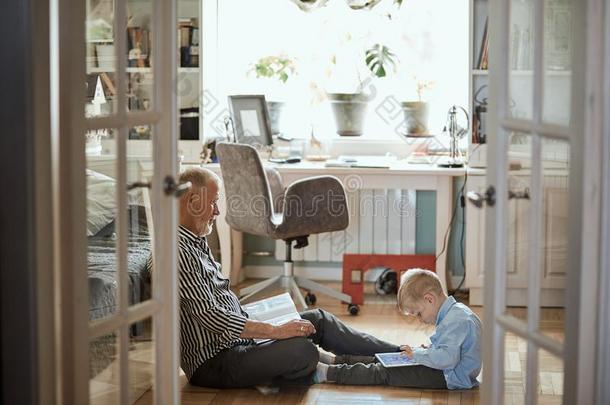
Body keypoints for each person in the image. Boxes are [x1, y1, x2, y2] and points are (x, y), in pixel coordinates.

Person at [174, 167, 402, 388]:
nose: (217, 211)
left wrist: (270, 324)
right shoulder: (179, 252)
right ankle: (329, 368)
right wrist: (274, 330)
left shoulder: (195, 239)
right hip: (216, 362)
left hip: (240, 341)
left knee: (318, 320)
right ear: (193, 201)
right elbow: (211, 317)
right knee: (302, 349)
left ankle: (402, 355)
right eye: (213, 202)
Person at [314, 269, 482, 390]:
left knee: (385, 372)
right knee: (388, 359)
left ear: (429, 299)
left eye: (418, 313)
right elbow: (449, 350)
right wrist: (428, 351)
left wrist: (417, 354)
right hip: (445, 369)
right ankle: (336, 361)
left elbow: (447, 359)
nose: (420, 319)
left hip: (448, 376)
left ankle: (328, 372)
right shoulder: (455, 314)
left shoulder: (455, 321)